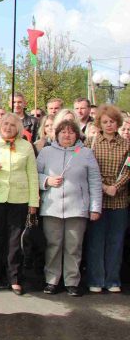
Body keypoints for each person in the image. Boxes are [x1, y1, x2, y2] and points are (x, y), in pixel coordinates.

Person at [0, 113, 39, 295]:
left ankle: (15, 279)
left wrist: (33, 201)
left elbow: (32, 175)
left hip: (19, 199)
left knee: (14, 241)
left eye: (12, 125)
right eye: (5, 124)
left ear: (18, 128)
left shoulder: (26, 146)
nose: (8, 127)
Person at [36, 119, 102, 296]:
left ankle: (72, 281)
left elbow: (95, 181)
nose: (67, 135)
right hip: (51, 207)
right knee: (53, 245)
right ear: (56, 134)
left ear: (77, 135)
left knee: (74, 246)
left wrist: (95, 207)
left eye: (71, 132)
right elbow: (34, 174)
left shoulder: (86, 153)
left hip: (77, 208)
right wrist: (46, 181)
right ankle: (51, 280)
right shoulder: (46, 152)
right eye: (63, 132)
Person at [85, 104, 130, 293]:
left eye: (112, 122)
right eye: (105, 122)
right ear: (99, 124)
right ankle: (96, 279)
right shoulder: (91, 142)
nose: (109, 125)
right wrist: (103, 186)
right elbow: (86, 168)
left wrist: (116, 187)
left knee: (116, 242)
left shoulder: (127, 144)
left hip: (119, 200)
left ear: (117, 123)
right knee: (96, 241)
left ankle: (112, 280)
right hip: (98, 199)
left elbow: (128, 171)